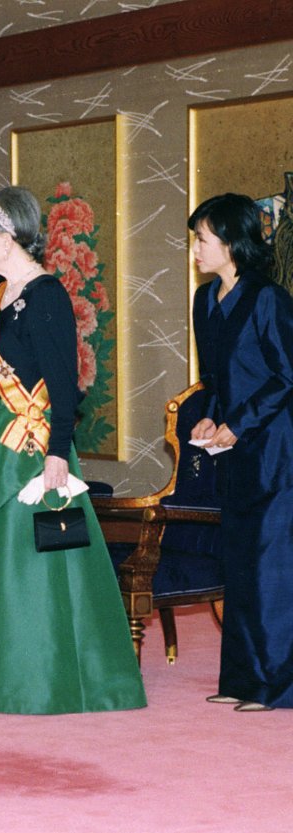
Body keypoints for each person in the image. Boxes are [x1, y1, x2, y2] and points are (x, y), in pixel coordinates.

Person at [0, 186, 145, 714]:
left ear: (6, 236)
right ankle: (2, 673)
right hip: (0, 442)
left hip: (36, 448)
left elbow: (64, 384)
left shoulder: (47, 295)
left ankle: (45, 677)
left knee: (36, 560)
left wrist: (58, 453)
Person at [190, 193, 293, 712]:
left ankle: (276, 686)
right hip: (231, 450)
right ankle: (239, 679)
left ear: (232, 242)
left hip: (276, 452)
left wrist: (239, 422)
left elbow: (285, 377)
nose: (196, 251)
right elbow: (212, 379)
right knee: (238, 565)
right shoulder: (204, 300)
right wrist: (211, 415)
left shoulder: (269, 299)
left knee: (271, 571)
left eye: (203, 240)